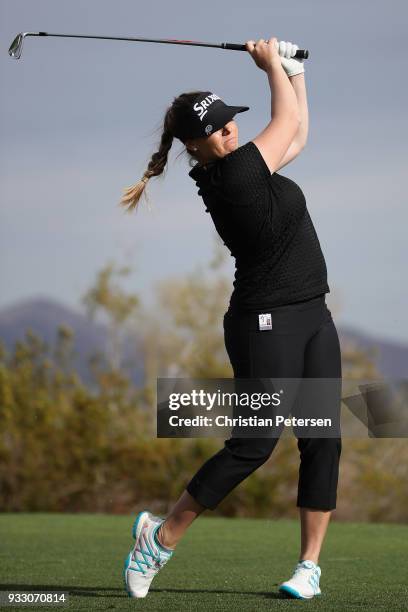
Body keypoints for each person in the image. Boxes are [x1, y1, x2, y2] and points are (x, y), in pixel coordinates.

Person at [121, 37, 342, 601]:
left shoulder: (249, 166)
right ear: (196, 146)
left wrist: (295, 72)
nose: (229, 131)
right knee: (254, 443)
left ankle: (309, 567)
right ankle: (159, 537)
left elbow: (298, 131)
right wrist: (270, 63)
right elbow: (285, 119)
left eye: (229, 122)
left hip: (313, 314)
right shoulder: (237, 177)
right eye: (217, 129)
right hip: (264, 322)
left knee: (323, 439)